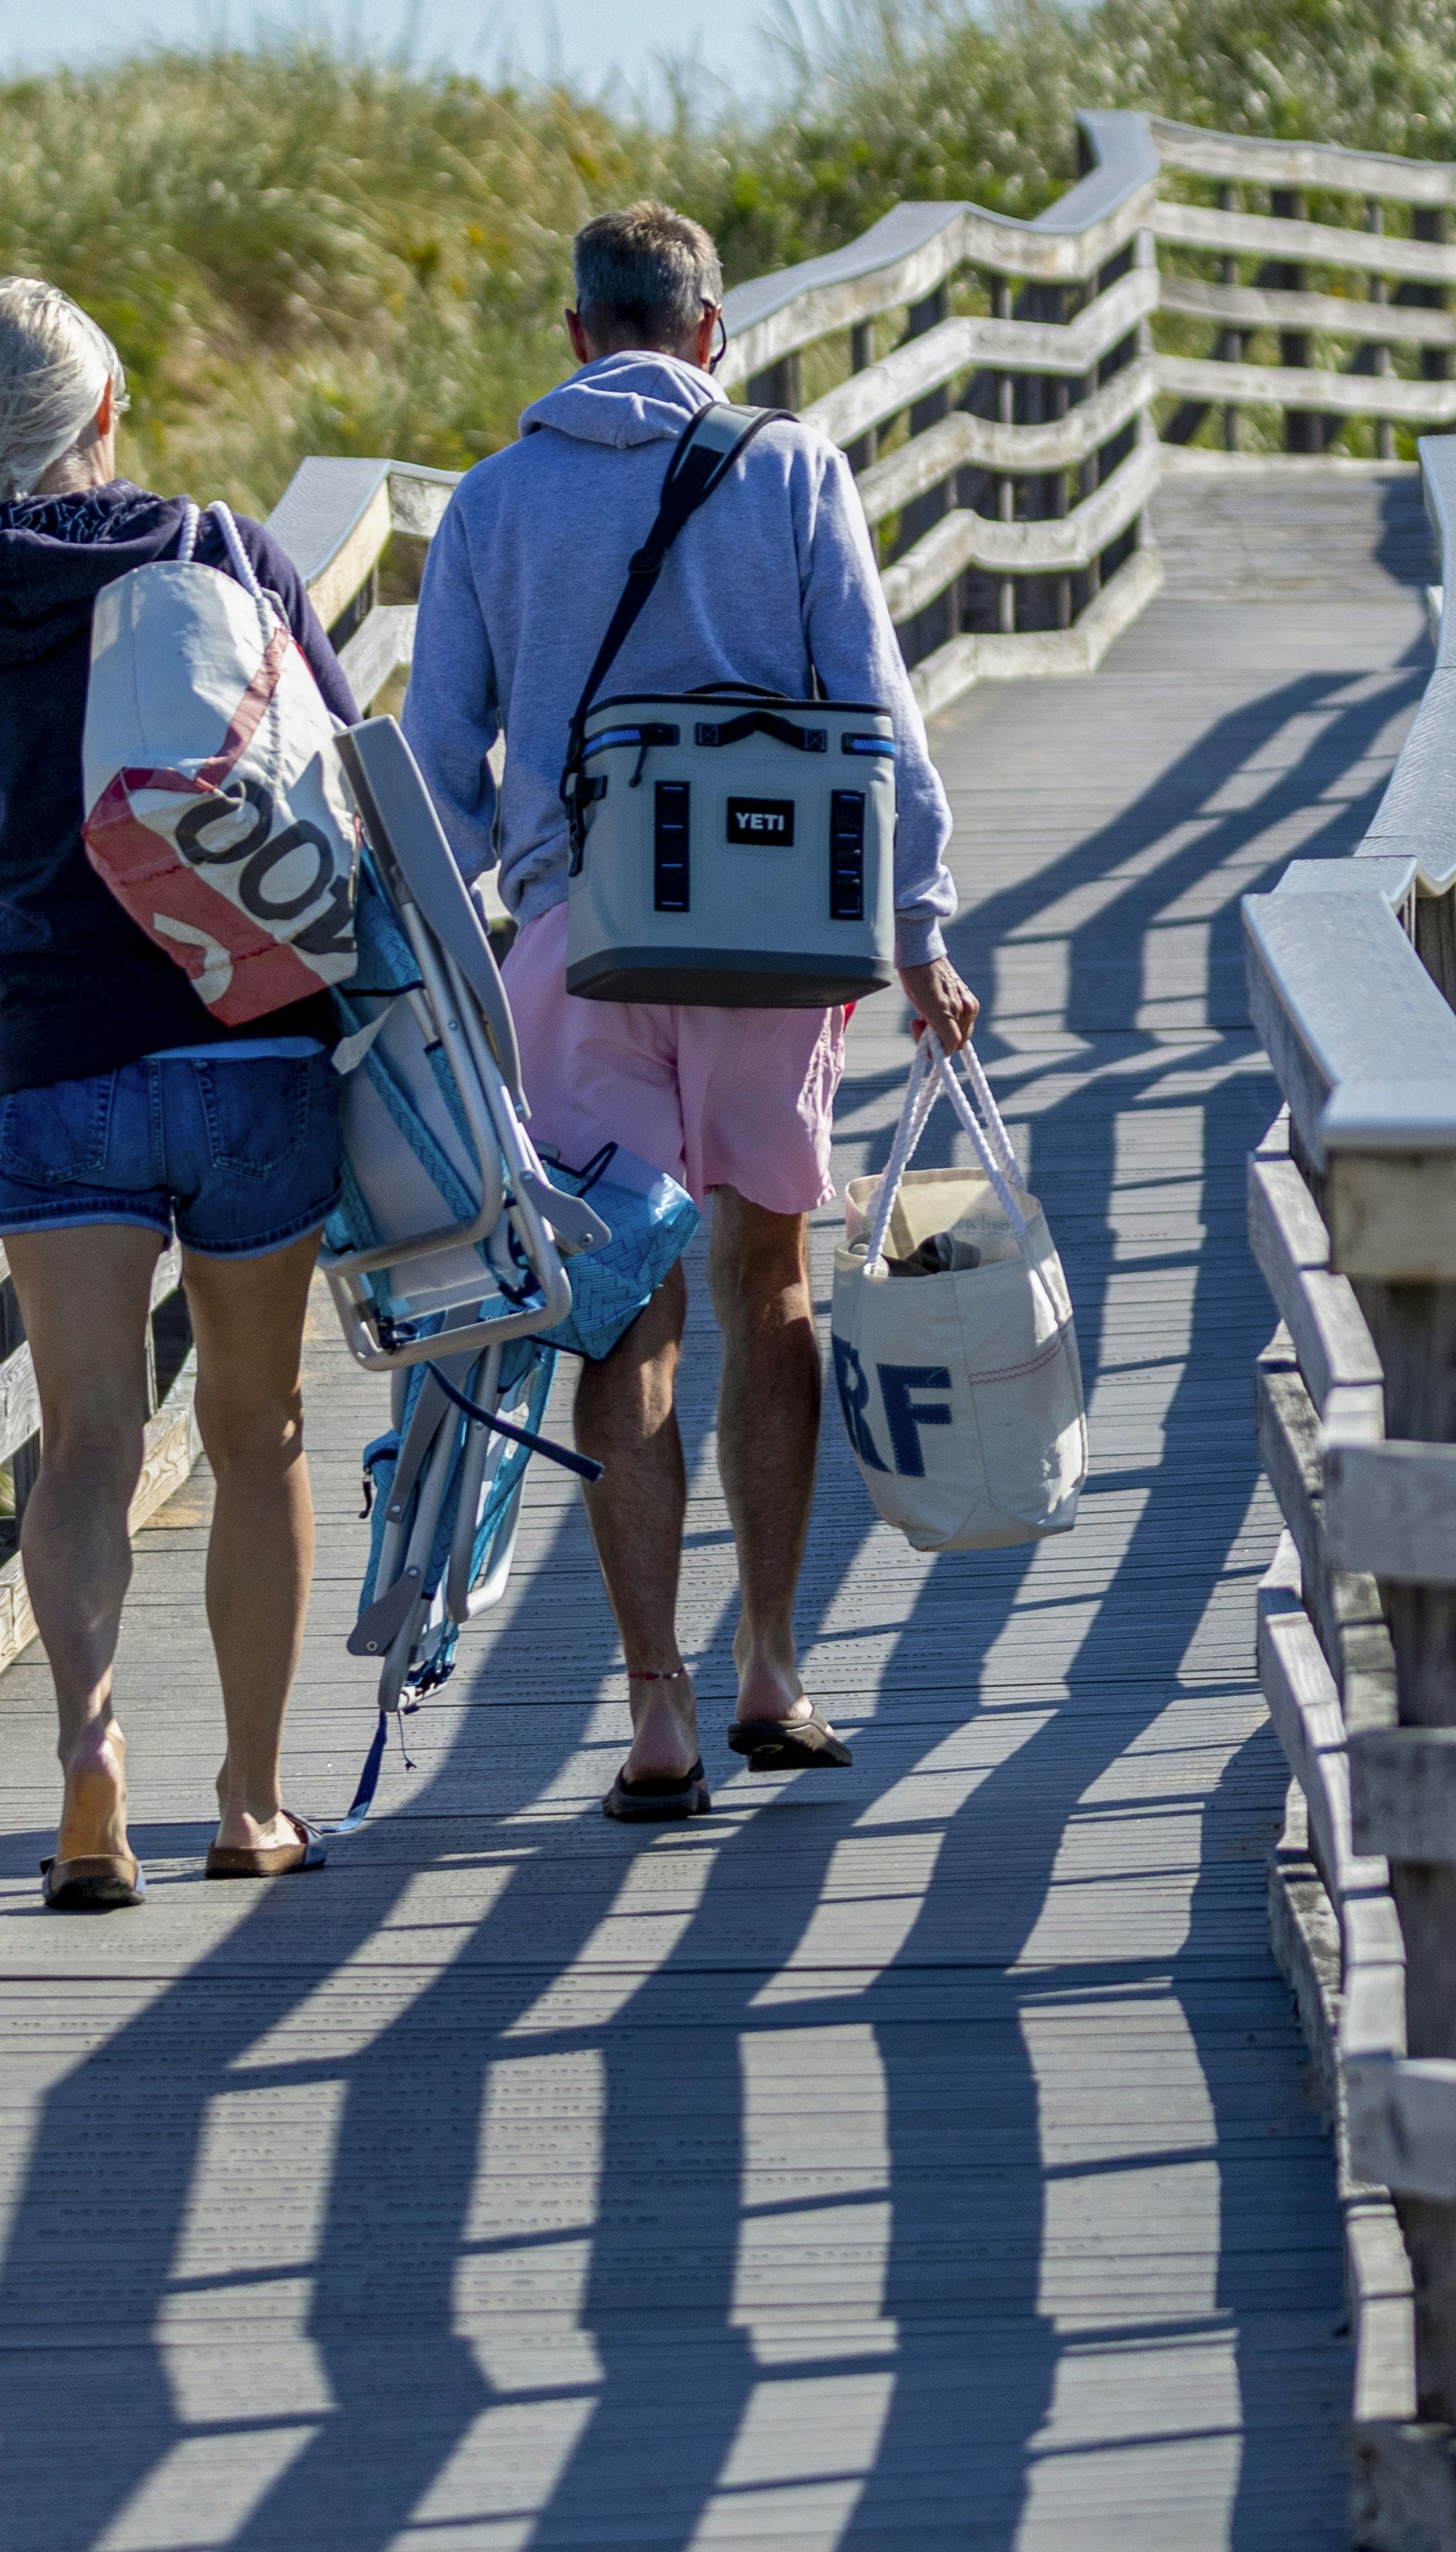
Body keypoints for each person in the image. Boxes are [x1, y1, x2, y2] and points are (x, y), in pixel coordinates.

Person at [405, 205, 975, 1822]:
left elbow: (440, 772)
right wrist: (920, 922)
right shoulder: (791, 472)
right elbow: (873, 711)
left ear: (576, 333)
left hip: (582, 941)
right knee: (766, 1279)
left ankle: (654, 1706)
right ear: (711, 332)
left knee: (624, 1302)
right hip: (774, 927)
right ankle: (773, 1665)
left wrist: (442, 962)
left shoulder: (494, 502)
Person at [0, 278, 341, 1901]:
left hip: (62, 1058)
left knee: (81, 1450)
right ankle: (253, 1798)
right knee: (257, 1426)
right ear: (106, 414)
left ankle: (87, 1757)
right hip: (254, 1040)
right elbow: (334, 765)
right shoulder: (217, 551)